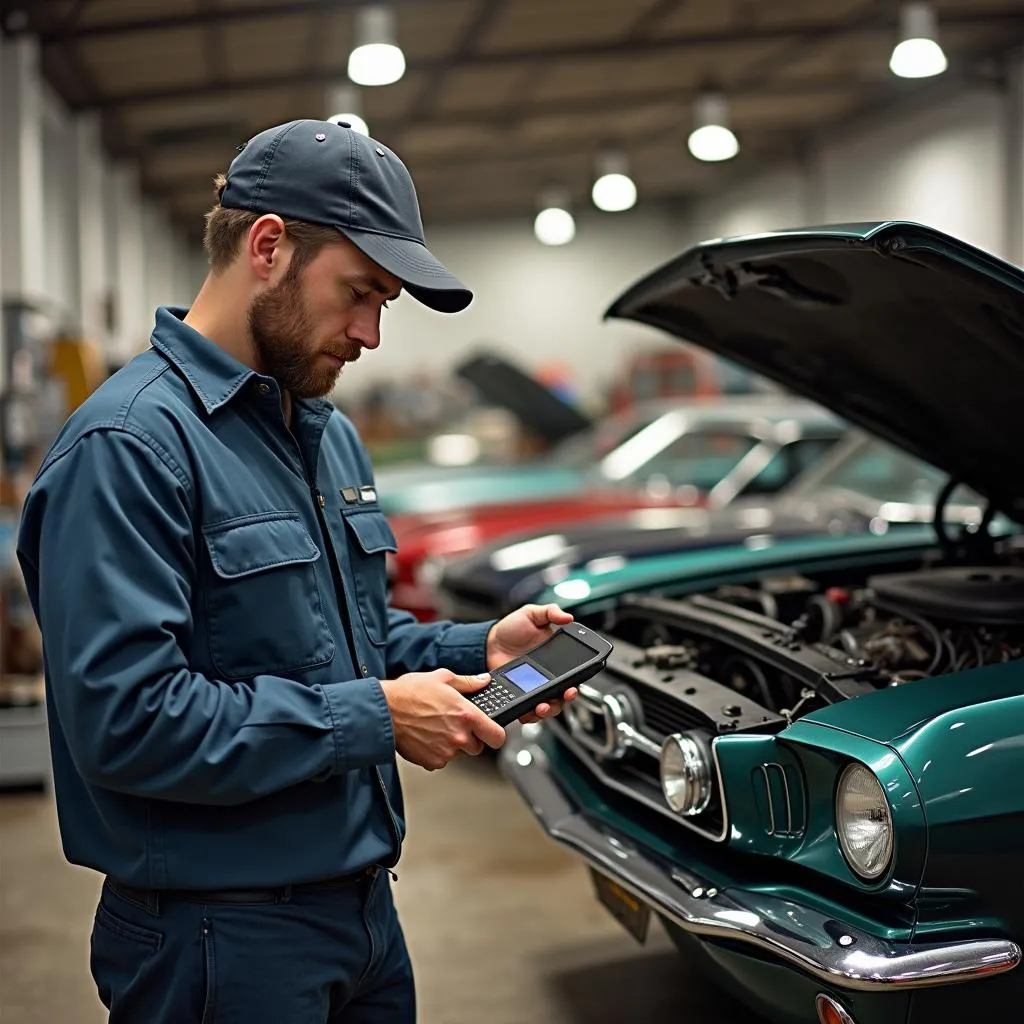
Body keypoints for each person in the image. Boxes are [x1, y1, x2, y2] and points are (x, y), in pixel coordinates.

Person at [15, 119, 578, 1024]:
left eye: (385, 302)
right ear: (269, 247)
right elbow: (125, 721)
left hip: (362, 914)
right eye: (359, 292)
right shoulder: (129, 449)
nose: (371, 333)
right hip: (217, 942)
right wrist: (378, 718)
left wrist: (483, 645)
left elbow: (348, 633)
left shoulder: (322, 430)